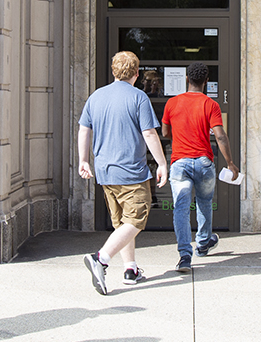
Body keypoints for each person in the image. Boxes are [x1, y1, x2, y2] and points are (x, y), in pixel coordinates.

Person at [79, 51, 168, 295]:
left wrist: (83, 160)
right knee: (136, 219)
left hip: (105, 172)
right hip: (132, 172)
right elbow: (149, 134)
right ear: (137, 74)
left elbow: (84, 129)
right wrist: (162, 163)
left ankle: (130, 269)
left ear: (113, 71)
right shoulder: (139, 98)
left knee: (123, 224)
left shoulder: (96, 96)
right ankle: (101, 259)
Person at [161, 62, 237, 271]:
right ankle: (203, 244)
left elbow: (166, 133)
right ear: (206, 81)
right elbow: (220, 135)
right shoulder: (210, 104)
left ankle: (185, 255)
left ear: (187, 79)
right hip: (204, 163)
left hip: (180, 164)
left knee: (181, 208)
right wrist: (230, 163)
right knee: (204, 203)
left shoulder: (172, 103)